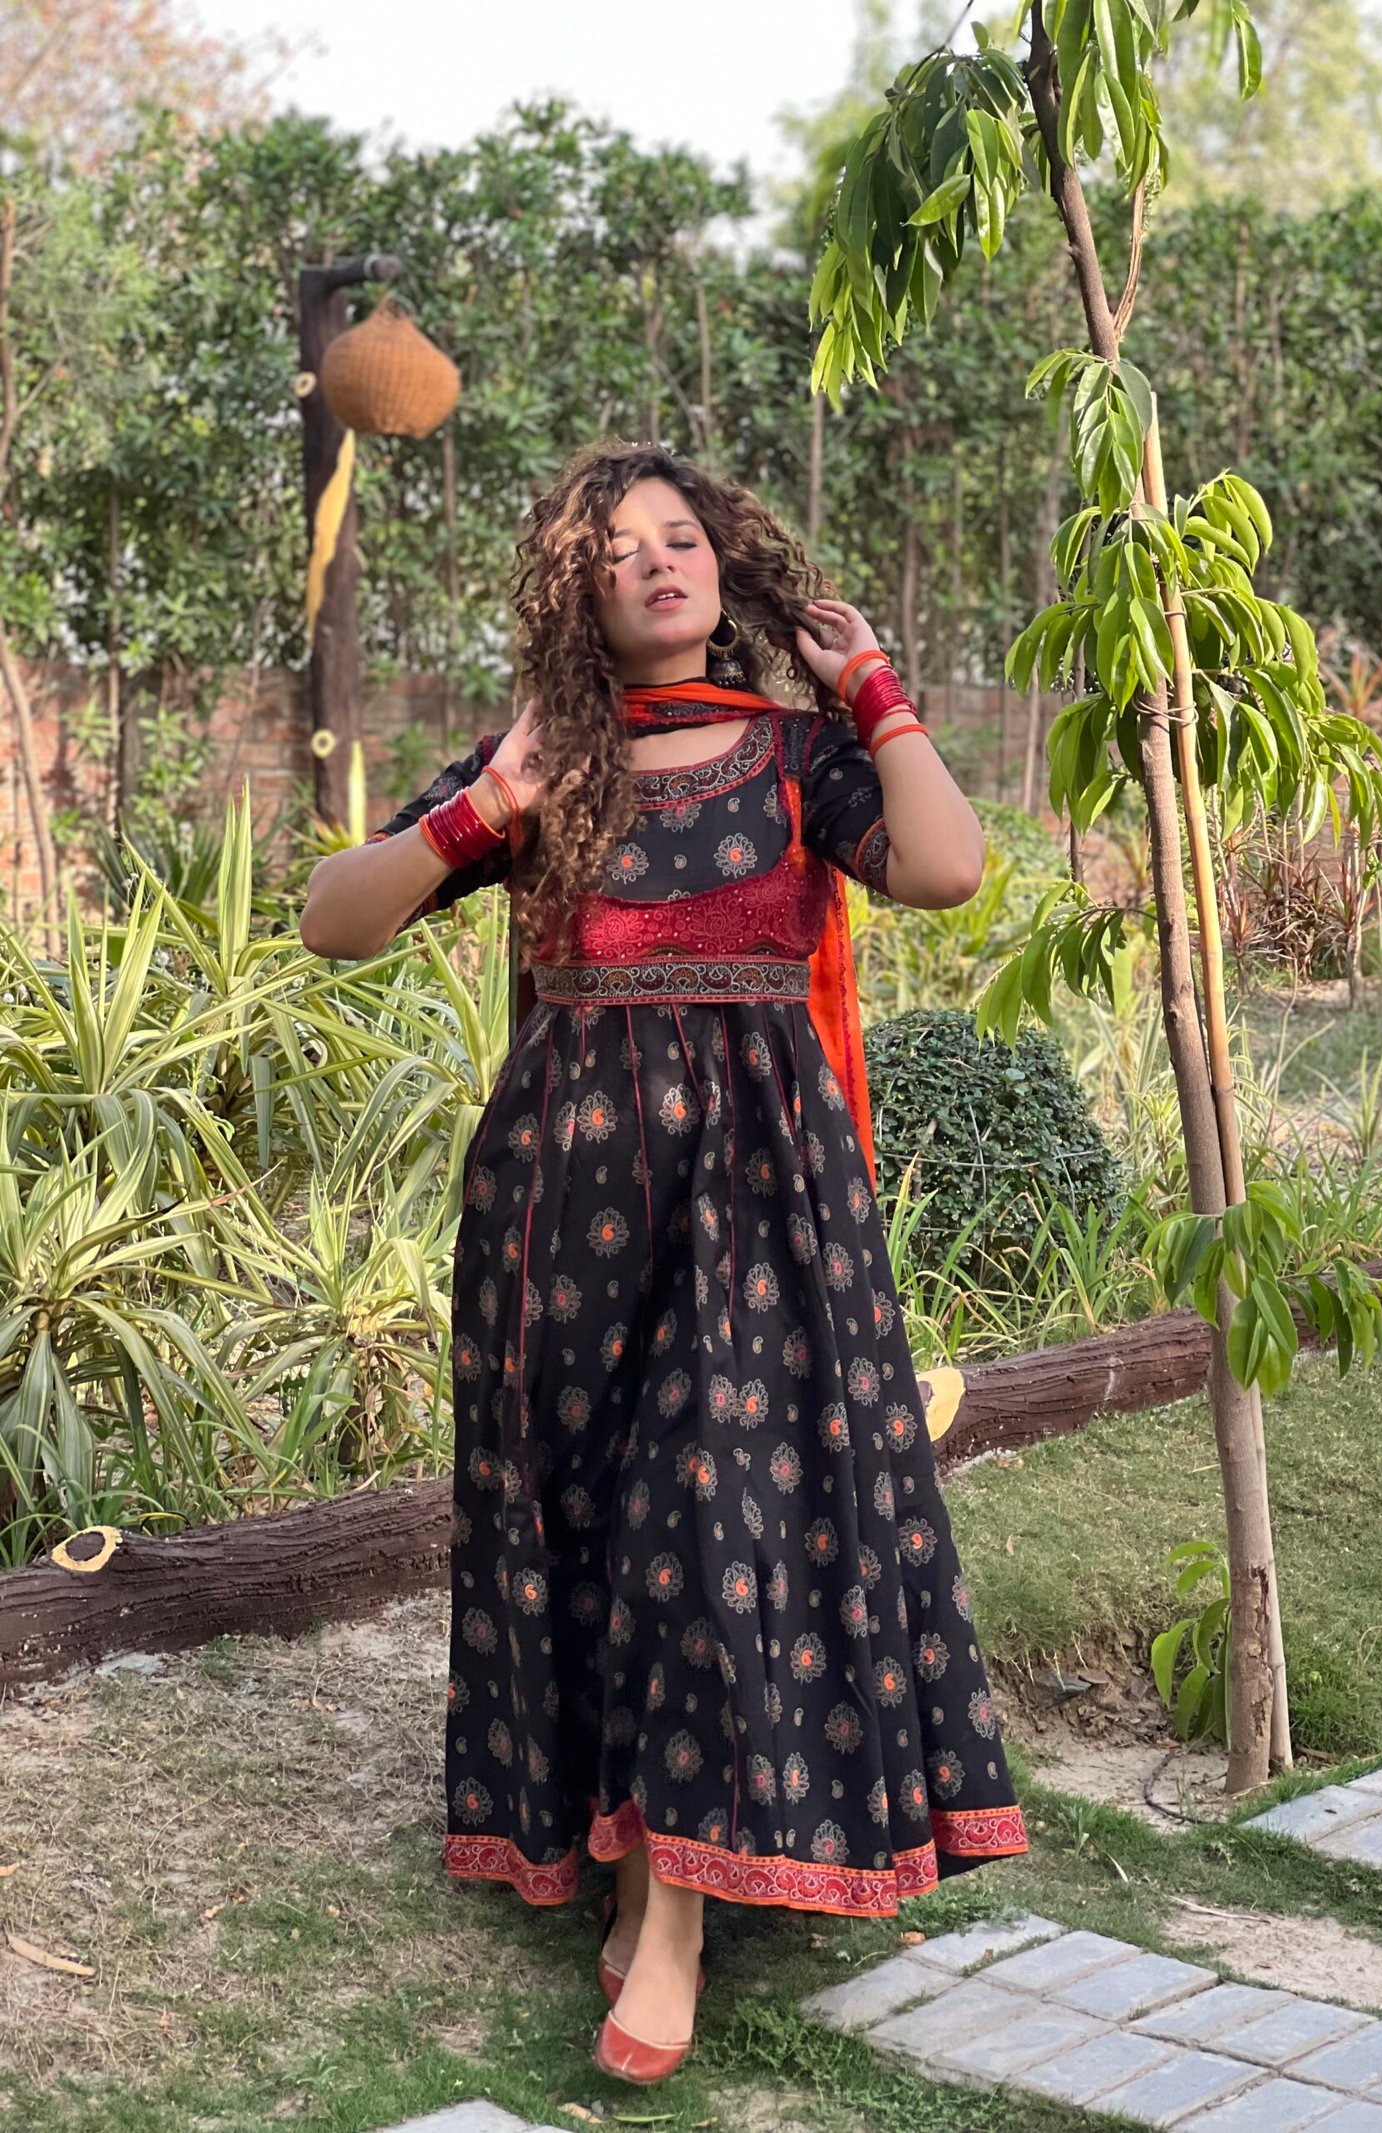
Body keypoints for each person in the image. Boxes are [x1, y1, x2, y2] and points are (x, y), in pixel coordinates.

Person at [299, 439, 1027, 2086]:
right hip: (563, 1216)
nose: (657, 559)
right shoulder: (544, 763)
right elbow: (334, 917)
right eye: (618, 545)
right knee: (598, 1525)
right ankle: (640, 1857)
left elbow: (946, 868)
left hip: (764, 1205)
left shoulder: (794, 753)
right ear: (579, 591)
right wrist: (483, 807)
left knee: (707, 1509)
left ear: (725, 561)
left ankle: (671, 1926)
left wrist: (877, 692)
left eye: (680, 534)